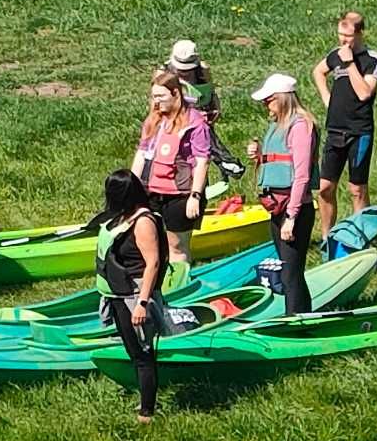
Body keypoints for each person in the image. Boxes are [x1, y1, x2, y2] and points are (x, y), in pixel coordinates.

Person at [96, 169, 168, 422]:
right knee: (133, 352)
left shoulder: (143, 221)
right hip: (117, 295)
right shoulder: (121, 218)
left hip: (135, 295)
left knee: (143, 354)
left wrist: (142, 304)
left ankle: (147, 412)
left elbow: (154, 263)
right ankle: (144, 403)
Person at [247, 73, 317, 317]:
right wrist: (259, 157)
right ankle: (302, 315)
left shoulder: (300, 126)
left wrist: (292, 216)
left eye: (269, 100)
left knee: (290, 271)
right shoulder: (277, 125)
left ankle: (295, 319)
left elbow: (302, 175)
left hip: (292, 210)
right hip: (277, 208)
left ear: (282, 98)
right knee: (290, 269)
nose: (266, 105)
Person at [312, 10, 377, 240]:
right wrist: (327, 98)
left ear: (360, 33)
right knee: (324, 187)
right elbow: (318, 71)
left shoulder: (373, 60)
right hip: (335, 129)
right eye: (340, 35)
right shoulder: (336, 54)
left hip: (359, 131)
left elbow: (364, 93)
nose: (342, 41)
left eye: (348, 36)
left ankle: (361, 239)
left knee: (357, 189)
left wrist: (350, 63)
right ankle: (327, 238)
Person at [132, 67, 213, 271]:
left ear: (175, 93)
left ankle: (180, 287)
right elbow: (142, 154)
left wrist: (195, 195)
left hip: (181, 193)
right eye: (153, 97)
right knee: (151, 244)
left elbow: (202, 161)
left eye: (160, 96)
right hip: (152, 191)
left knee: (177, 246)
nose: (156, 101)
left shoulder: (195, 123)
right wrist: (131, 189)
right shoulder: (154, 120)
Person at [168, 39, 243, 185]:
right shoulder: (164, 73)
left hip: (201, 120)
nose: (184, 73)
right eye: (181, 70)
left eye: (188, 70)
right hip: (175, 122)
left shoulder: (202, 71)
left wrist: (215, 109)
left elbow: (210, 92)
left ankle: (220, 170)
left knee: (201, 155)